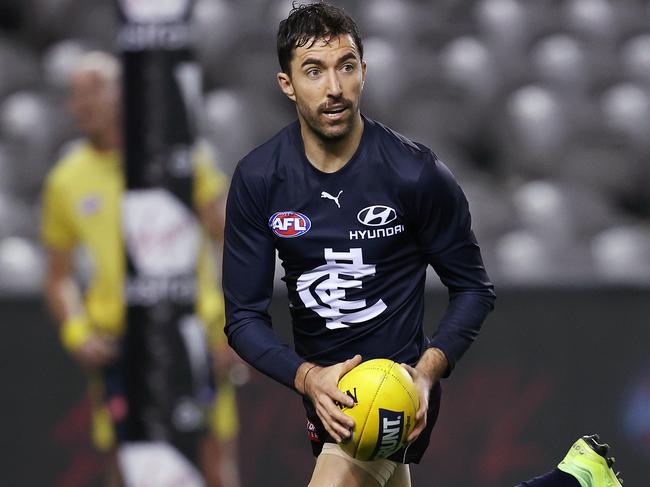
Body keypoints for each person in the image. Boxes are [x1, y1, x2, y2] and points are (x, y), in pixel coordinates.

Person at [221, 4, 624, 487]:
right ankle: (575, 480)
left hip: (393, 394)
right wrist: (308, 377)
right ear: (286, 83)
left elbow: (473, 289)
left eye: (346, 67)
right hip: (324, 393)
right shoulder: (260, 177)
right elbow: (243, 317)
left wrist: (425, 374)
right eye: (314, 71)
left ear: (364, 72)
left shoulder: (415, 173)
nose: (334, 88)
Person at [42, 51, 241, 486]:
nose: (82, 104)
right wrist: (78, 333)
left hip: (192, 333)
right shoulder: (66, 179)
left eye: (94, 90)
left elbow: (231, 238)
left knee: (213, 463)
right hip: (121, 347)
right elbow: (57, 276)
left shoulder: (180, 155)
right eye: (74, 96)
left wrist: (233, 325)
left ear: (125, 94)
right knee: (126, 467)